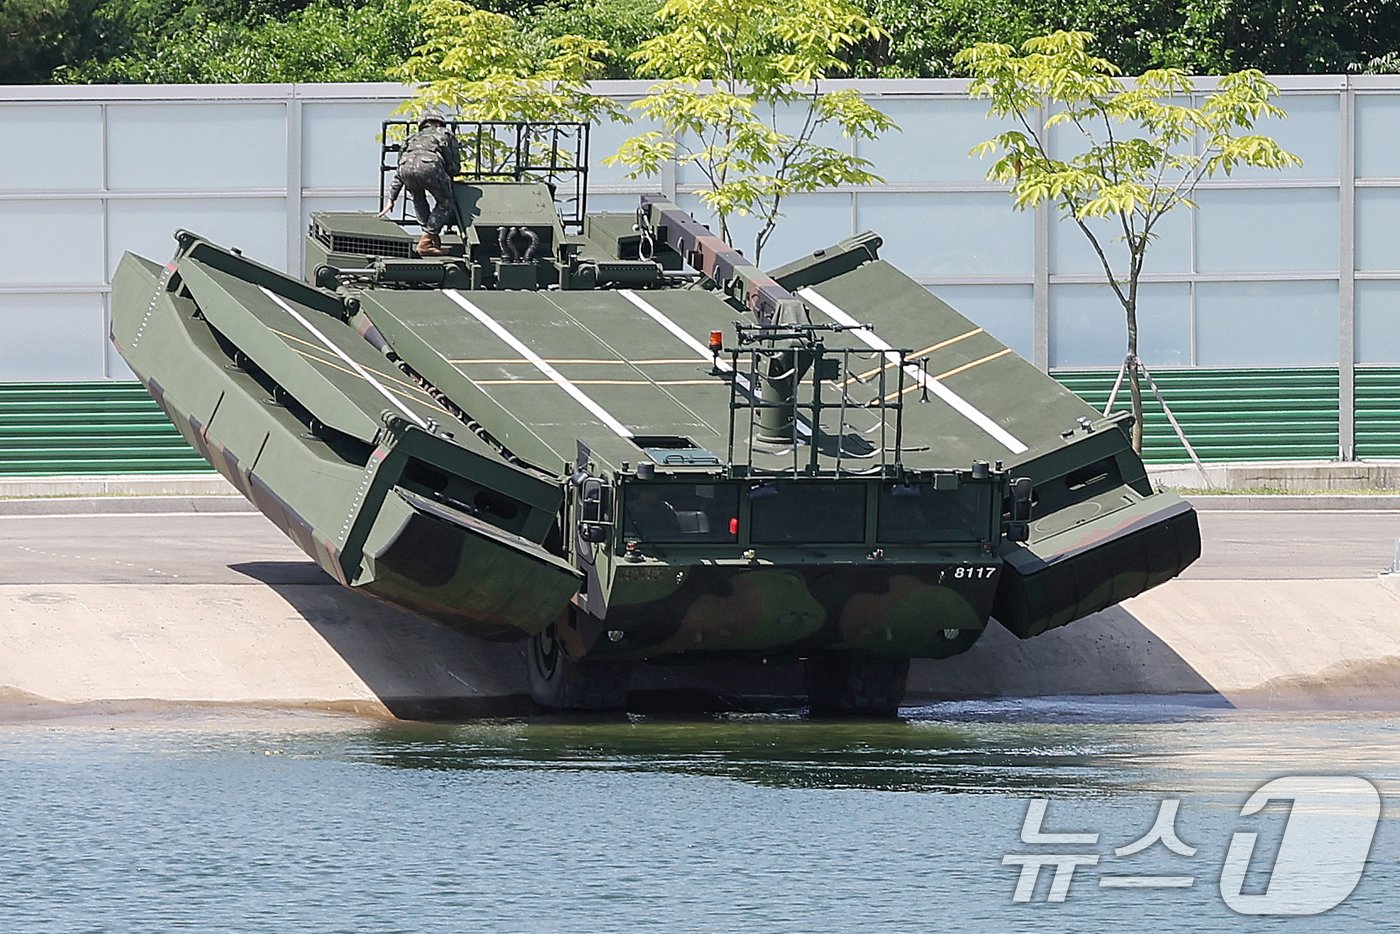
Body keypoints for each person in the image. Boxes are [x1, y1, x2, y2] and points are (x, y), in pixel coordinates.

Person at [378, 111, 461, 257]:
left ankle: (431, 238)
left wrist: (391, 198)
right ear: (439, 122)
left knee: (418, 199)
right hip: (429, 167)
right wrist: (449, 174)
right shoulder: (444, 133)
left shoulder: (412, 138)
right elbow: (454, 165)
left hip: (405, 169)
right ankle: (426, 240)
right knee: (446, 202)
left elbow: (399, 170)